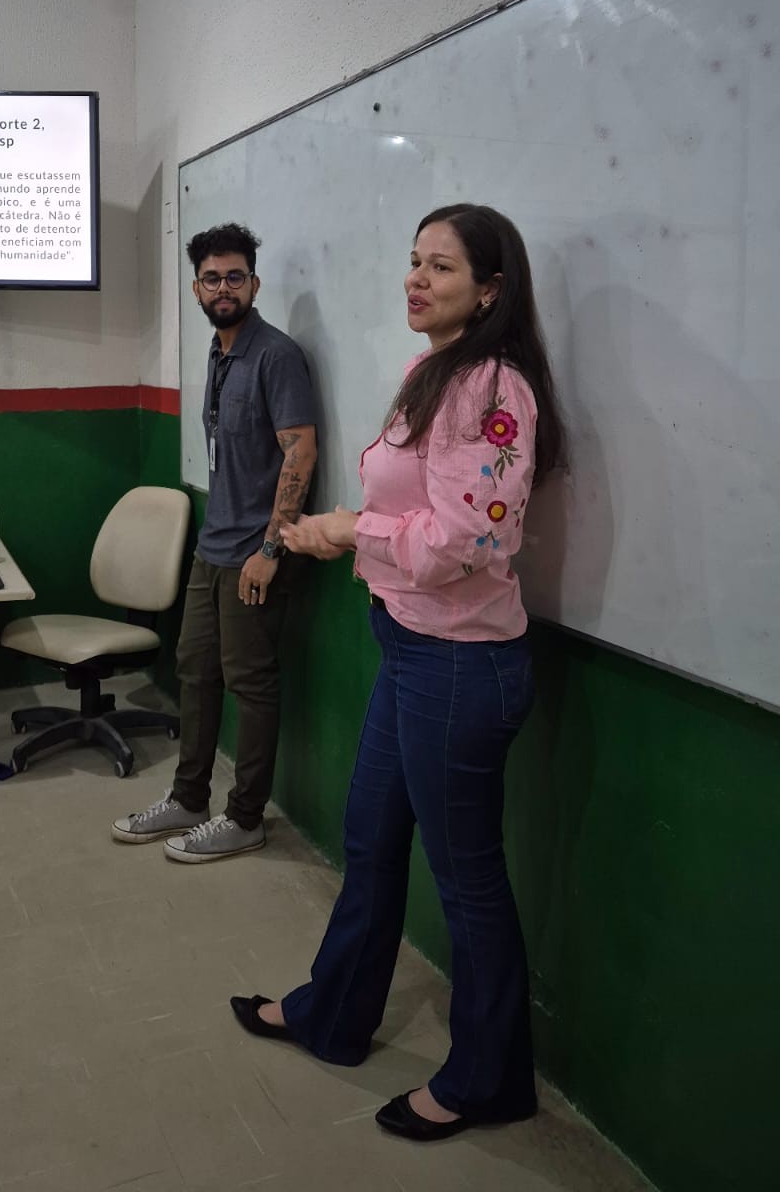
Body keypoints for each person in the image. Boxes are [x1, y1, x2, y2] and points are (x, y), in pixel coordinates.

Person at [229, 203, 565, 1141]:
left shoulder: (496, 388)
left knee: (468, 883)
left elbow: (474, 537)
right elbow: (418, 503)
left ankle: (488, 1080)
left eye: (442, 269)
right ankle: (332, 1014)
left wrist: (348, 531)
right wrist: (342, 527)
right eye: (414, 262)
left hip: (462, 668)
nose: (416, 280)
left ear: (490, 290)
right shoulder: (433, 371)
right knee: (372, 843)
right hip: (408, 647)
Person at [113, 222, 317, 862]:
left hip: (255, 554)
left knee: (251, 687)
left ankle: (246, 817)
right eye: (211, 278)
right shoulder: (220, 350)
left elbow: (299, 454)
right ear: (197, 288)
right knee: (195, 672)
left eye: (235, 276)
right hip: (213, 545)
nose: (223, 287)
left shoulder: (275, 355)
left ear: (254, 283)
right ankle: (188, 798)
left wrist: (270, 550)